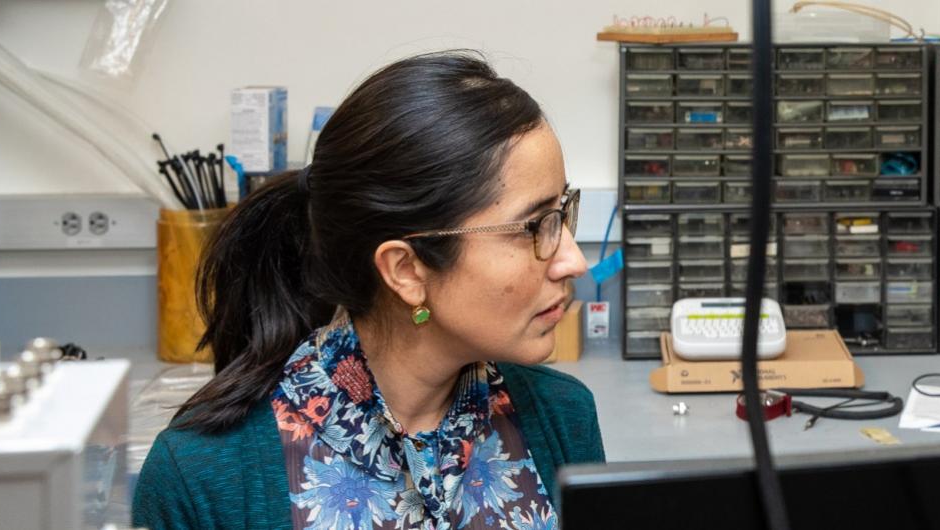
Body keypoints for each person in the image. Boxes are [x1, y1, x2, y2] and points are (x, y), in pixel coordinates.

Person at [133, 51, 603, 529]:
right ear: (406, 270)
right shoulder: (201, 477)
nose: (574, 260)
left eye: (563, 213)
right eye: (534, 226)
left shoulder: (562, 417)